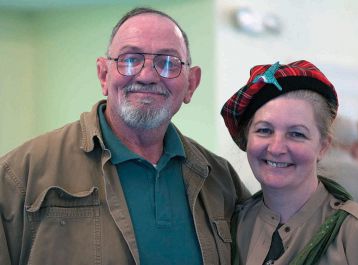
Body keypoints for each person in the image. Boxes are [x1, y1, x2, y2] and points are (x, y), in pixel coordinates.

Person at [0, 7, 250, 265]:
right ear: (103, 74)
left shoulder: (221, 180)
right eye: (130, 59)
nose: (147, 76)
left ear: (191, 84)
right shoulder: (20, 175)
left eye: (168, 63)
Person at [221, 60, 358, 264]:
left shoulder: (356, 229)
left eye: (296, 134)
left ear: (323, 146)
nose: (277, 148)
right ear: (247, 138)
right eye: (264, 130)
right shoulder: (235, 225)